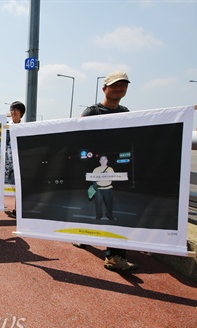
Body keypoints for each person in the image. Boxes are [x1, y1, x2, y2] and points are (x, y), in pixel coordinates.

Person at [73, 71, 138, 271]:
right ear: (105, 89)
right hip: (92, 171)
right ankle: (83, 235)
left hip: (115, 171)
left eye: (123, 85)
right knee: (92, 206)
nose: (119, 88)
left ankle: (114, 256)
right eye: (115, 85)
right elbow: (76, 137)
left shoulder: (126, 113)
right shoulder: (92, 112)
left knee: (113, 210)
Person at [5, 101, 26, 218]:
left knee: (18, 185)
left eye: (15, 110)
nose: (13, 112)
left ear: (21, 113)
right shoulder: (6, 126)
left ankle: (17, 210)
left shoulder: (24, 128)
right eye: (11, 109)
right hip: (5, 161)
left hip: (17, 161)